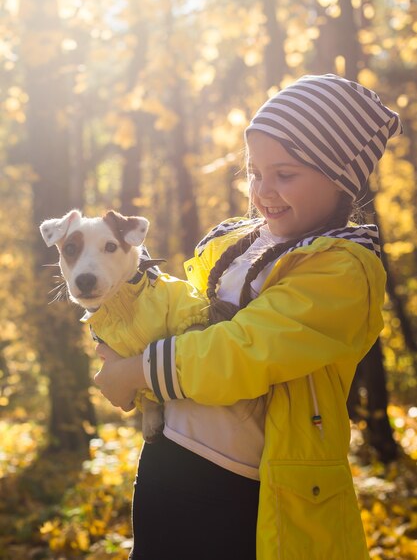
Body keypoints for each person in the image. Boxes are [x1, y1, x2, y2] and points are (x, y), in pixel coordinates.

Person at [94, 74, 402, 560]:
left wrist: (135, 372)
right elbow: (181, 326)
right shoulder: (230, 246)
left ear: (340, 178)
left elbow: (242, 352)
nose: (264, 190)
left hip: (246, 489)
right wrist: (119, 320)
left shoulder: (341, 270)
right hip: (169, 460)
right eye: (255, 172)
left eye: (286, 174)